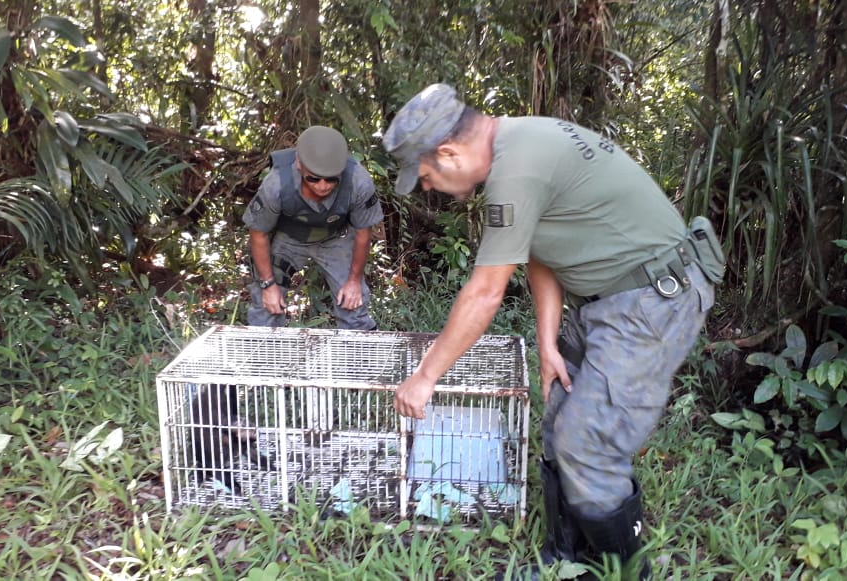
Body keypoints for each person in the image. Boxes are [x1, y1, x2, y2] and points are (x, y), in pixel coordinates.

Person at [382, 84, 722, 579]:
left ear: (449, 152)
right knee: (560, 418)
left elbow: (484, 293)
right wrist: (547, 345)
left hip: (653, 298)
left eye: (427, 175)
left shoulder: (515, 170)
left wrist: (425, 376)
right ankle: (567, 563)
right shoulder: (518, 144)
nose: (428, 187)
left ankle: (628, 573)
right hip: (610, 300)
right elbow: (543, 251)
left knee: (588, 443)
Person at [244, 125, 382, 330]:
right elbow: (258, 233)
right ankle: (264, 356)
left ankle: (359, 356)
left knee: (353, 304)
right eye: (314, 178)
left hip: (335, 238)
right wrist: (268, 285)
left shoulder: (358, 181)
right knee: (267, 307)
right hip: (289, 239)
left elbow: (363, 233)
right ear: (299, 164)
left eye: (331, 179)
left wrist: (353, 281)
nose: (323, 186)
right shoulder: (276, 185)